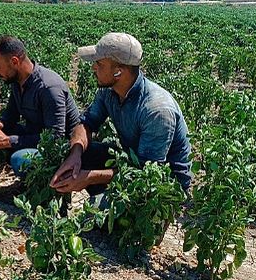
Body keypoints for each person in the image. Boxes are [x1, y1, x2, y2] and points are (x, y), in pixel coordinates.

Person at [49, 32, 192, 205]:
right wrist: (75, 153)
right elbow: (87, 123)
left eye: (99, 64)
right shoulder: (108, 91)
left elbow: (147, 171)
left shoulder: (156, 110)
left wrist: (88, 177)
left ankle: (122, 209)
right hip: (134, 161)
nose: (93, 67)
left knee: (96, 212)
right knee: (79, 153)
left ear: (118, 72)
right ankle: (105, 198)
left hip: (164, 181)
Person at [0, 35, 80, 177]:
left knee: (20, 160)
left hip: (60, 149)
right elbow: (11, 115)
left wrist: (8, 141)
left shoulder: (49, 88)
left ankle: (44, 186)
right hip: (33, 135)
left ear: (14, 61)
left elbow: (55, 138)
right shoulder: (17, 81)